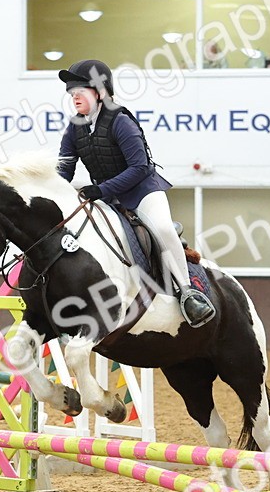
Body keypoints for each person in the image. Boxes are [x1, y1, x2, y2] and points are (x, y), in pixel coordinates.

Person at [56, 59, 215, 328]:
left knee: (163, 229)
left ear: (100, 92)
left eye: (80, 91)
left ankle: (189, 293)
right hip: (106, 198)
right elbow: (64, 169)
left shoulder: (121, 121)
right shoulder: (75, 127)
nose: (75, 98)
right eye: (72, 94)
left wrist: (101, 189)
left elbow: (140, 167)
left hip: (142, 192)